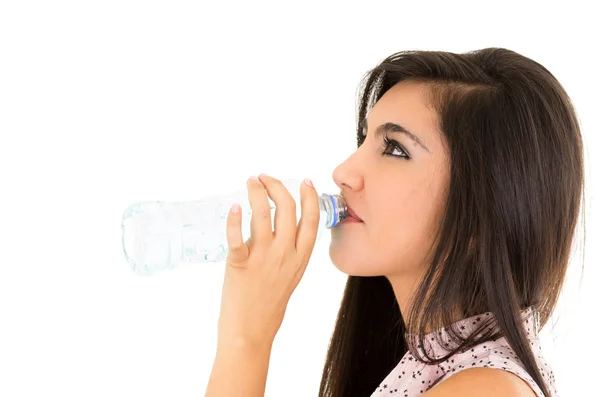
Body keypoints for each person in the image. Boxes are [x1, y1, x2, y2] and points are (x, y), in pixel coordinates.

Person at [204, 48, 584, 397]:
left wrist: (246, 339)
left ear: (483, 213)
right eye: (365, 139)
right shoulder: (436, 363)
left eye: (395, 149)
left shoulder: (484, 391)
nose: (343, 172)